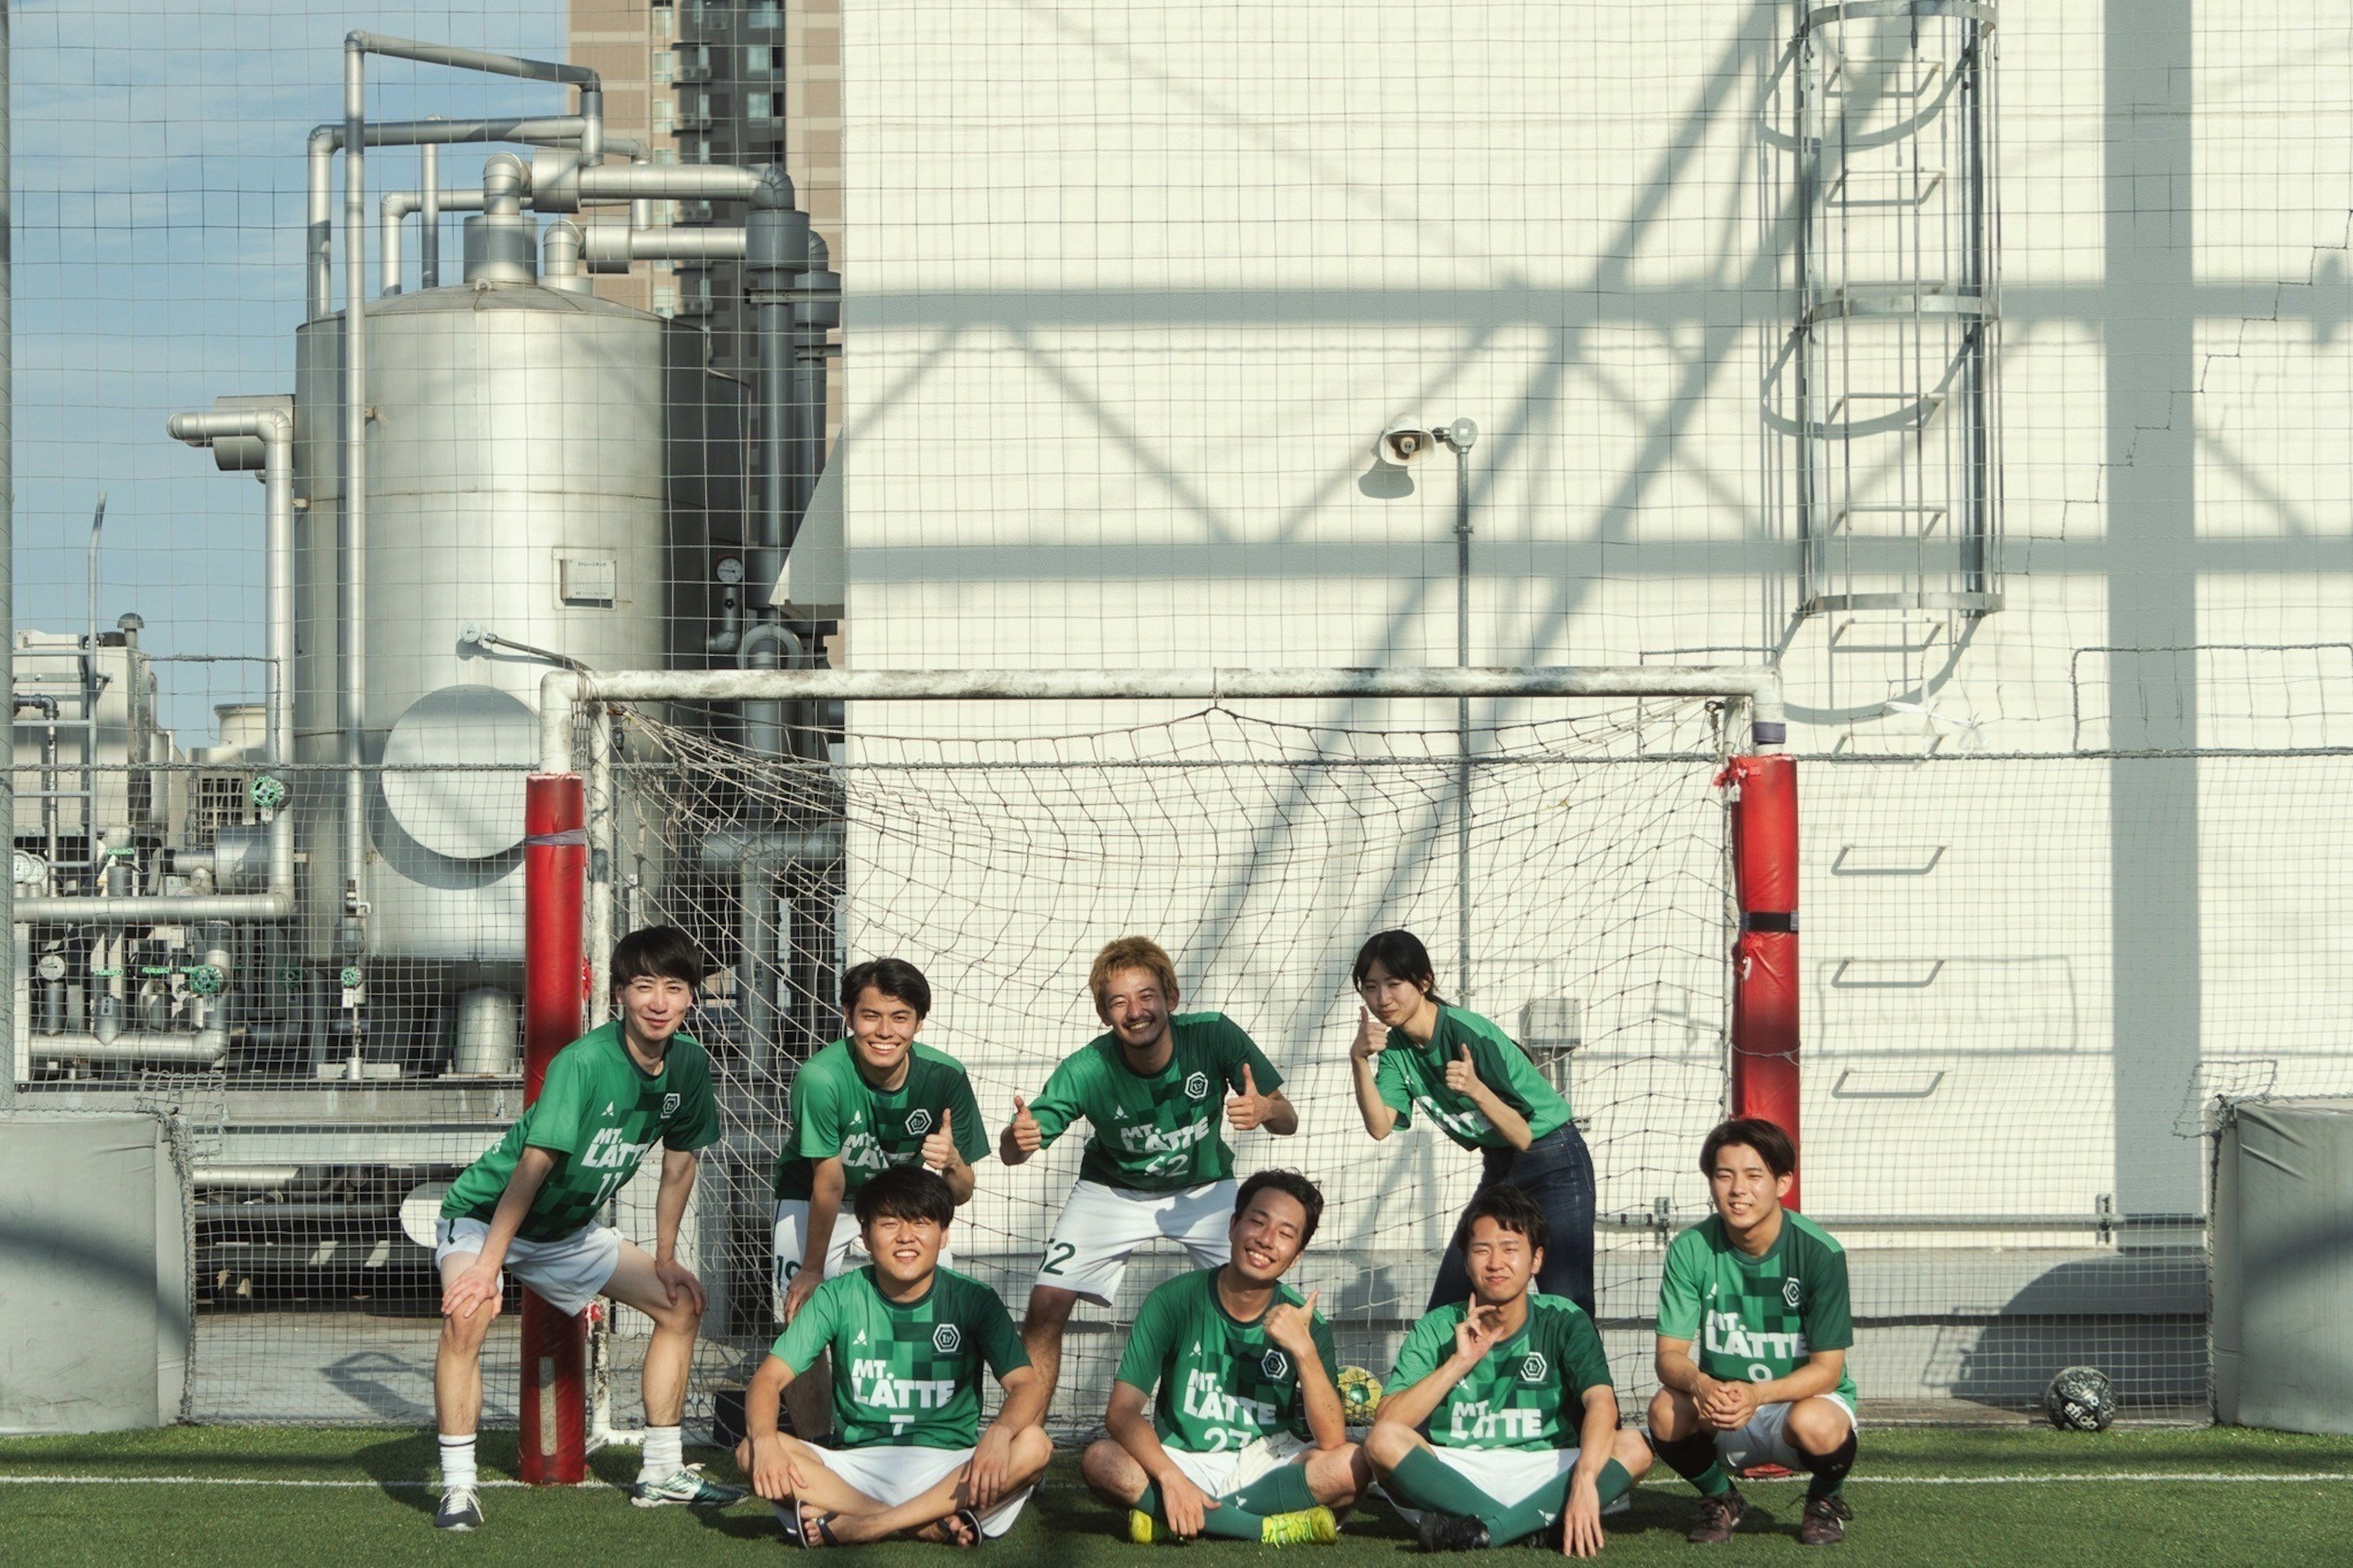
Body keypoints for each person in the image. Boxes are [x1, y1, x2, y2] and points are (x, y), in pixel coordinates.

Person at [431, 926, 743, 1531]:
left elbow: (681, 1166)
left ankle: (661, 1472)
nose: (658, 1001)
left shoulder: (689, 1066)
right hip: (485, 1217)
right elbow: (532, 1167)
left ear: (690, 999)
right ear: (620, 994)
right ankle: (458, 1487)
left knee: (679, 1305)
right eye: (644, 986)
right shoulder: (584, 1061)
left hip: (567, 1230)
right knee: (468, 1314)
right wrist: (488, 1268)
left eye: (674, 988)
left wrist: (667, 1256)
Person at [1000, 935, 1298, 1407]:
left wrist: (1264, 1108)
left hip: (1204, 1189)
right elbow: (1014, 1150)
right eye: (1118, 1001)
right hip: (1113, 1190)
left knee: (1257, 1293)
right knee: (1046, 1303)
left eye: (1146, 996)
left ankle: (1271, 1423)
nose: (1135, 1011)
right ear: (1104, 1013)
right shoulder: (1088, 1068)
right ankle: (1022, 1447)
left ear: (1171, 999)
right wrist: (1015, 1142)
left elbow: (1288, 1118)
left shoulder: (1214, 1034)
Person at [735, 1166, 1051, 1545]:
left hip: (950, 1468)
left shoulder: (975, 1300)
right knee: (751, 1451)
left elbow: (1027, 1385)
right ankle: (923, 1524)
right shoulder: (837, 1296)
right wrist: (768, 1441)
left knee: (1034, 1445)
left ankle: (864, 1524)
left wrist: (1000, 1434)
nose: (906, 1238)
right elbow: (768, 1379)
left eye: (921, 1223)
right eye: (889, 1224)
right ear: (866, 1236)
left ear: (944, 1233)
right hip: (857, 1467)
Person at [1078, 1170, 1366, 1545]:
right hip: (1184, 1459)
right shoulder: (1173, 1302)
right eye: (1257, 1222)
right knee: (1101, 1460)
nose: (1265, 1241)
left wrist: (1304, 1350)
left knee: (1352, 1465)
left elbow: (1331, 1441)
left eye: (1285, 1234)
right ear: (1233, 1226)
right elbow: (1121, 1412)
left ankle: (1176, 1517)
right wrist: (1171, 1478)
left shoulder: (1307, 1323)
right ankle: (1263, 1527)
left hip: (1269, 1459)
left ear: (1296, 1256)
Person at [1365, 1184, 1651, 1557]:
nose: (1496, 1262)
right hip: (1457, 1472)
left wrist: (1583, 1479)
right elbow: (1388, 1423)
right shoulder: (1437, 1326)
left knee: (1634, 1446)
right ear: (1466, 1262)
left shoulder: (1564, 1318)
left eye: (1510, 1249)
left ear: (1536, 1260)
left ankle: (1483, 1531)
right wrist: (1459, 1363)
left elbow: (1601, 1403)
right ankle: (1532, 1526)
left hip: (1547, 1470)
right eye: (1482, 1250)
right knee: (1380, 1442)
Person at [775, 957, 988, 1440]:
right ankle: (817, 1449)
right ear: (849, 1015)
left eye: (900, 1017)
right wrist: (811, 1269)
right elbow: (827, 1183)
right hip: (816, 1198)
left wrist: (952, 1160)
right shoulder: (821, 1077)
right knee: (801, 1318)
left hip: (899, 1205)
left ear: (918, 1022)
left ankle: (934, 1439)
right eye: (871, 1015)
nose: (885, 1031)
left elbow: (962, 1191)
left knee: (939, 1310)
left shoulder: (945, 1076)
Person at [1346, 929, 1596, 1316]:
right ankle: (1440, 1374)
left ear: (1425, 982)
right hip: (1500, 1165)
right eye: (1371, 987)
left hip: (1553, 1159)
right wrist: (1359, 1060)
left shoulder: (1467, 1034)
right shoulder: (1393, 1049)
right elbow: (1380, 1126)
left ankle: (1581, 1377)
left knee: (1566, 1303)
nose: (1383, 999)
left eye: (1394, 984)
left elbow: (1522, 1135)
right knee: (1452, 1299)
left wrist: (1478, 1090)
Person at [1646, 1117, 1857, 1547]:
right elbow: (1669, 1356)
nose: (1737, 1188)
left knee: (1818, 1421)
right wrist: (1703, 1384)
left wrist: (1758, 1394)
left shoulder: (1821, 1253)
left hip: (1795, 1404)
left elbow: (1829, 1371)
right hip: (1724, 1403)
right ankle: (1721, 1498)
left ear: (1782, 1182)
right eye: (1724, 1175)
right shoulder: (1690, 1249)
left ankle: (1825, 1499)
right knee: (1665, 1409)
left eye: (1753, 1175)